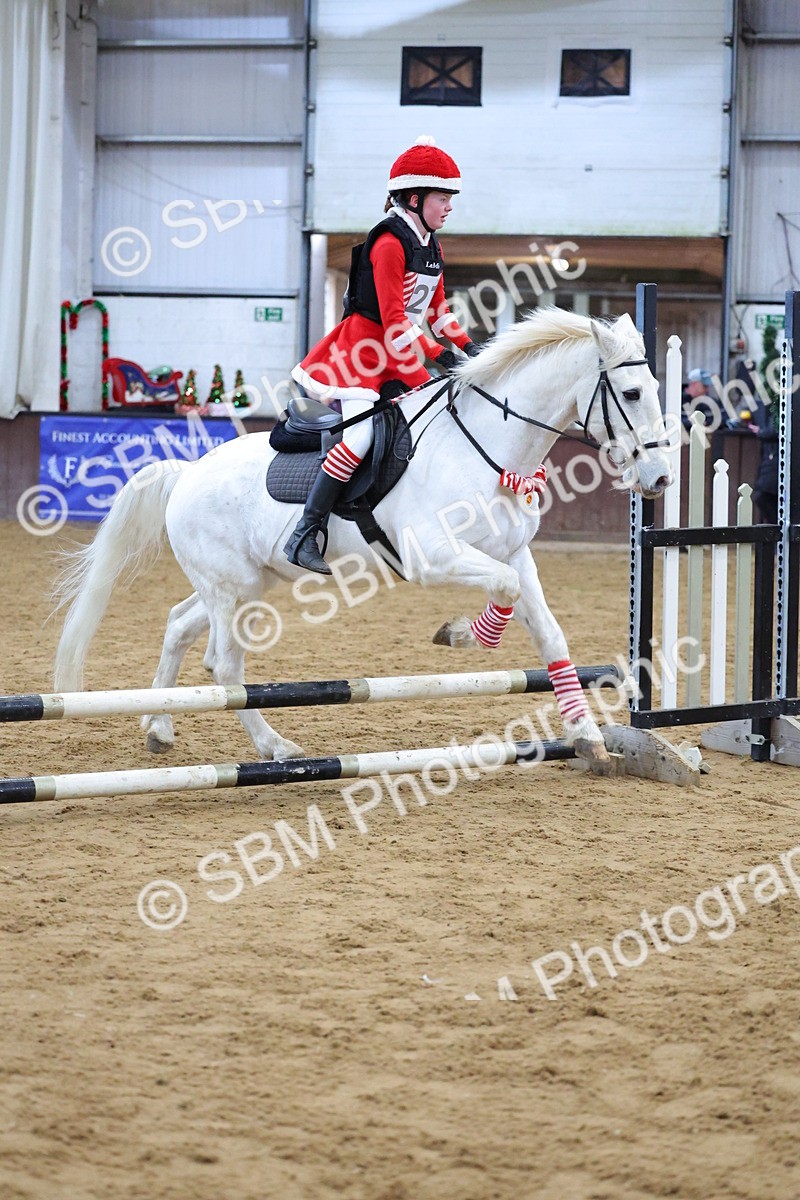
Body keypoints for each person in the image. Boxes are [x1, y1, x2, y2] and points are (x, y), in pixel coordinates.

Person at [284, 135, 480, 574]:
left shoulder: (430, 243)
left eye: (451, 198)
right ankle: (306, 531)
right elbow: (394, 319)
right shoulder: (389, 243)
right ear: (414, 198)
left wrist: (469, 349)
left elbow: (438, 311)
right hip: (362, 351)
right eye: (442, 198)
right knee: (359, 437)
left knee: (436, 418)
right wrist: (437, 355)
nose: (449, 207)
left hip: (399, 352)